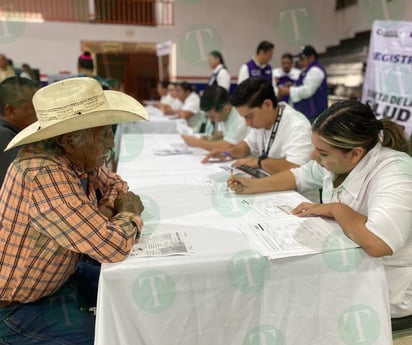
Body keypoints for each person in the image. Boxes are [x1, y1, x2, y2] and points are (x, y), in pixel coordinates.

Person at [228, 100, 412, 319]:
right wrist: (255, 186)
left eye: (322, 153)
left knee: (290, 305)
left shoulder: (395, 172)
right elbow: (300, 175)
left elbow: (379, 243)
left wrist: (335, 209)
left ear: (355, 153)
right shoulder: (339, 159)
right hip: (352, 265)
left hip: (389, 285)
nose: (314, 157)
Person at [0, 77, 149, 344]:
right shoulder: (44, 172)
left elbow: (117, 183)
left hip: (57, 279)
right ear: (70, 139)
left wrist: (102, 209)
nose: (111, 144)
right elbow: (112, 246)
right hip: (16, 308)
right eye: (103, 134)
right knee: (118, 336)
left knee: (136, 298)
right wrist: (127, 213)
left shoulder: (74, 158)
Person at [202, 78, 312, 175]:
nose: (247, 123)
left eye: (249, 117)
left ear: (267, 105)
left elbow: (296, 168)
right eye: (244, 118)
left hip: (298, 194)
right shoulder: (262, 121)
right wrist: (227, 153)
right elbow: (246, 147)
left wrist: (258, 162)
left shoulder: (298, 126)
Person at [181, 86, 249, 151]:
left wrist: (198, 142)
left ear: (226, 109)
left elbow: (226, 146)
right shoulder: (224, 114)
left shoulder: (241, 117)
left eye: (212, 117)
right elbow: (226, 134)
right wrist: (211, 139)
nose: (211, 120)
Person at [0, 76, 38, 187]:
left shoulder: (17, 134)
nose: (39, 113)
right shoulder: (3, 136)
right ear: (10, 110)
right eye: (34, 107)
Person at [278, 45, 328, 121]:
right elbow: (303, 83)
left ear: (311, 57)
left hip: (314, 115)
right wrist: (294, 85)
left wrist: (289, 91)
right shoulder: (307, 70)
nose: (300, 62)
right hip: (306, 113)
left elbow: (307, 91)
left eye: (302, 59)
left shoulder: (316, 71)